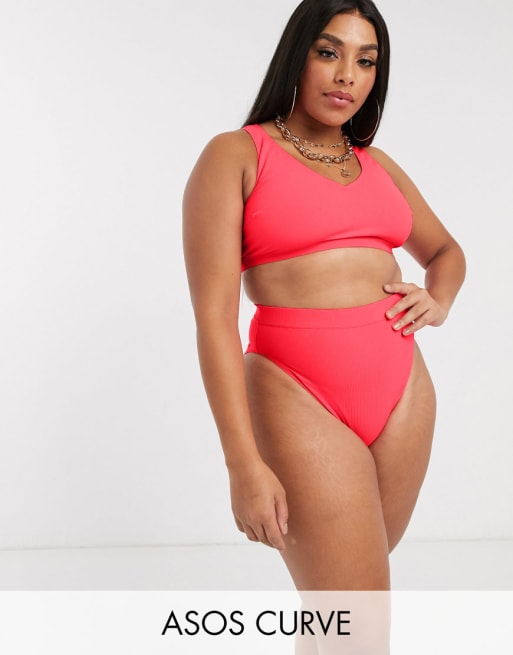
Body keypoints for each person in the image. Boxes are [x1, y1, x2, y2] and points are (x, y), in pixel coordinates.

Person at [183, 0, 465, 595]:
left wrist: (439, 298)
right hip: (294, 392)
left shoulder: (377, 164)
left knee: (341, 611)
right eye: (329, 52)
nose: (346, 76)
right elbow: (214, 320)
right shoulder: (236, 155)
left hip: (403, 394)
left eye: (366, 61)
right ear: (298, 54)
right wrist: (241, 463)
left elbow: (446, 251)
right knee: (357, 611)